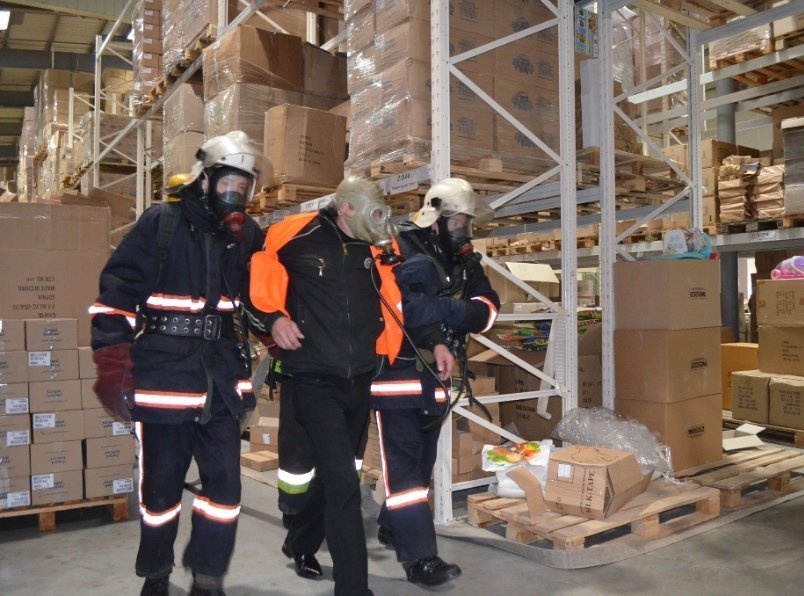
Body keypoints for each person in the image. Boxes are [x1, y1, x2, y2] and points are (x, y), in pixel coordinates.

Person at [89, 130, 268, 596]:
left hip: (221, 380)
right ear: (204, 180)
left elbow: (263, 295)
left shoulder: (246, 236)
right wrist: (112, 362)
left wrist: (281, 323)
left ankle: (208, 577)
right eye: (227, 183)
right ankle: (156, 573)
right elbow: (116, 294)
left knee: (225, 490)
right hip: (164, 378)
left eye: (243, 186)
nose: (235, 195)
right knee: (160, 490)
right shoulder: (162, 223)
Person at [246, 175, 404, 596]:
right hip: (313, 378)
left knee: (335, 476)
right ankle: (353, 587)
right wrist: (273, 321)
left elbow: (398, 298)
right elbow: (252, 283)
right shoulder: (295, 236)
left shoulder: (378, 246)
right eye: (372, 209)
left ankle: (299, 542)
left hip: (360, 377)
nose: (378, 219)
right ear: (346, 207)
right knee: (344, 484)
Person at [370, 178, 500, 587]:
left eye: (467, 221)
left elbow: (487, 310)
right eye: (458, 220)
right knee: (405, 471)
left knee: (421, 464)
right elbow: (408, 308)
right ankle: (421, 560)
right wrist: (454, 311)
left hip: (436, 374)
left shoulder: (464, 260)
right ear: (436, 216)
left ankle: (392, 526)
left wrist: (446, 310)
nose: (464, 229)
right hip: (397, 373)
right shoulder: (401, 246)